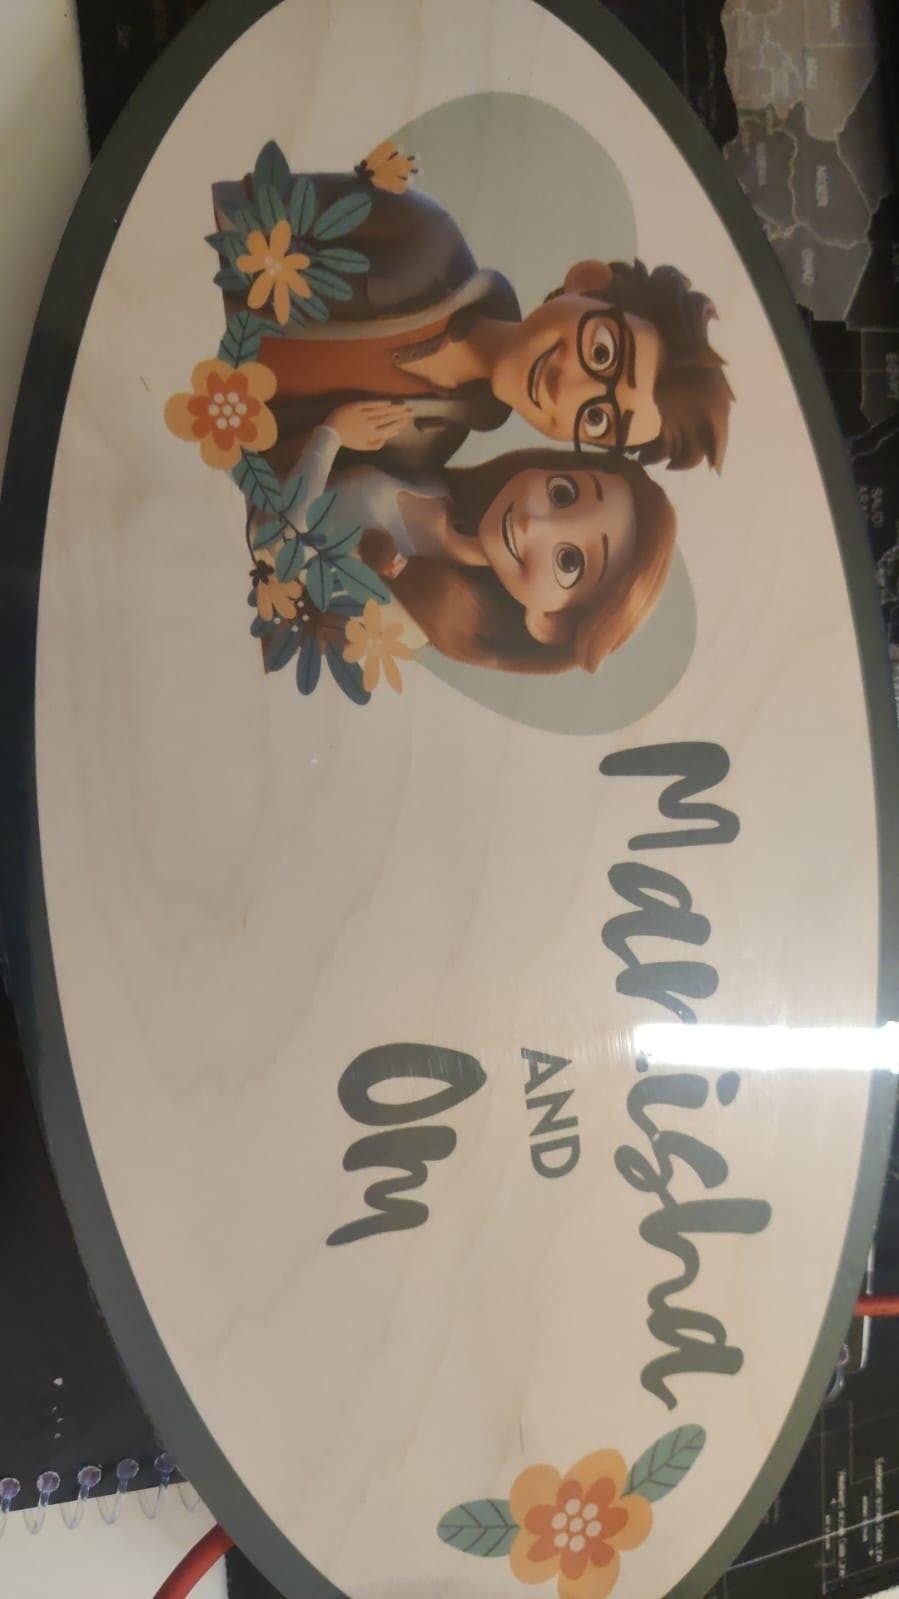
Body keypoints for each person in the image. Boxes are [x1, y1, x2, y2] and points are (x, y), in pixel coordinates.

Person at [213, 159, 733, 475]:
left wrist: (329, 438)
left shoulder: (425, 446)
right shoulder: (422, 232)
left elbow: (253, 474)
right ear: (587, 281)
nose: (564, 387)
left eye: (597, 420)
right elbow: (238, 209)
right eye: (602, 352)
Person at [256, 399, 677, 675]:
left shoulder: (406, 624)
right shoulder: (438, 489)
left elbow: (276, 543)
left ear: (549, 622)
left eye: (569, 561)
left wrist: (330, 435)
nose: (535, 524)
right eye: (563, 494)